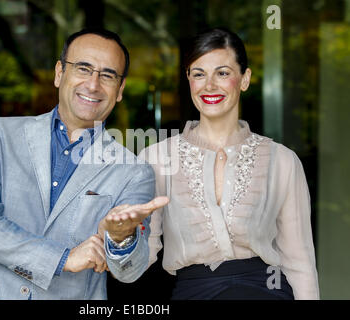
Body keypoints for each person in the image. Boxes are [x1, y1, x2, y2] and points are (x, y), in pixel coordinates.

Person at [0, 28, 168, 300]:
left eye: (108, 75)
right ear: (59, 73)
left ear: (120, 89)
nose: (93, 84)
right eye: (83, 68)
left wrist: (121, 238)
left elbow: (129, 271)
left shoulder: (134, 172)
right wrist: (62, 258)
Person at [137, 27, 320, 299]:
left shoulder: (282, 160)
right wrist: (119, 239)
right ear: (188, 79)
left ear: (244, 79)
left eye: (222, 73)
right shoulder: (156, 158)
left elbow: (300, 262)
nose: (209, 85)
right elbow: (138, 260)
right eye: (199, 74)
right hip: (194, 291)